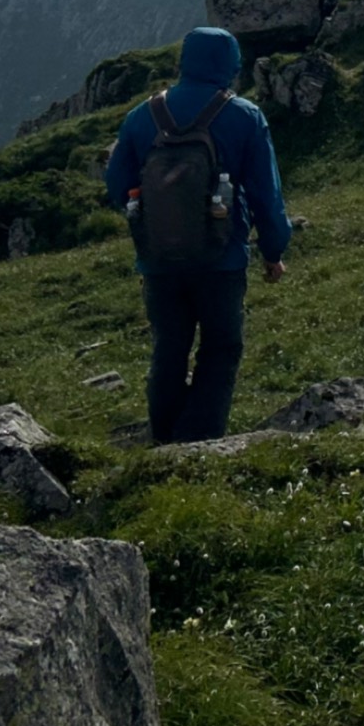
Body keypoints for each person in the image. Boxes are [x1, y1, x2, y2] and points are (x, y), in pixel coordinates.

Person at [103, 26, 291, 444]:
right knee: (221, 349)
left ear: (184, 60)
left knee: (169, 350)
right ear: (230, 65)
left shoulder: (142, 115)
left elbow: (116, 182)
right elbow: (266, 193)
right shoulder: (244, 115)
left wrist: (156, 216)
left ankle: (165, 439)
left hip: (158, 261)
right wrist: (273, 251)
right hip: (220, 260)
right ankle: (199, 442)